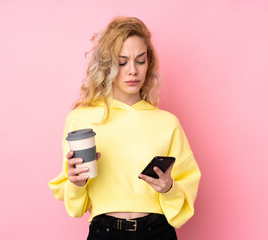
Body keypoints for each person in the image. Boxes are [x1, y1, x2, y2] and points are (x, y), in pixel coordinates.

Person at [48, 16, 201, 240]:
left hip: (157, 232)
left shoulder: (167, 123)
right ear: (107, 65)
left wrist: (168, 188)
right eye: (122, 62)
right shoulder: (81, 121)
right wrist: (77, 183)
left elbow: (185, 195)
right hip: (105, 233)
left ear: (149, 63)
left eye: (140, 60)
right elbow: (76, 207)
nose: (133, 71)